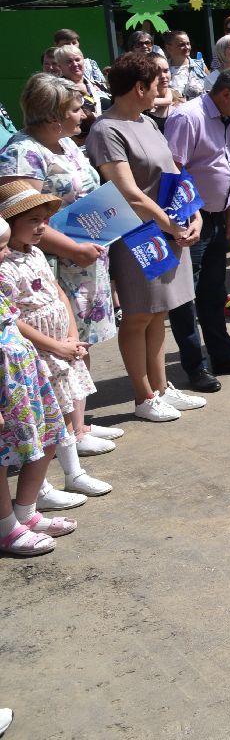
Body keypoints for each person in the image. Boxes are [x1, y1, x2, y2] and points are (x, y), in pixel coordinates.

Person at [0, 75, 119, 452]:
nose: (84, 114)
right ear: (53, 117)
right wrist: (71, 249)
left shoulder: (65, 142)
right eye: (75, 108)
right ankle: (66, 433)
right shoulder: (22, 154)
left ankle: (78, 423)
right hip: (50, 267)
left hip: (84, 258)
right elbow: (21, 217)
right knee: (54, 350)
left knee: (76, 342)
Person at [86, 52, 204, 423]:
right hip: (136, 234)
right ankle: (143, 396)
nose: (162, 90)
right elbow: (127, 191)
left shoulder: (148, 123)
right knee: (139, 315)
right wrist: (170, 224)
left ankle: (162, 386)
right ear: (140, 87)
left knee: (160, 312)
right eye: (157, 84)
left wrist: (193, 212)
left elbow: (173, 171)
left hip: (169, 228)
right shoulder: (106, 130)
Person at [0, 183, 108, 500]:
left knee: (60, 416)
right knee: (48, 420)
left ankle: (72, 474)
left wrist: (71, 335)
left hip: (59, 345)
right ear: (10, 223)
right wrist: (54, 345)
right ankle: (43, 487)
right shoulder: (3, 266)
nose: (42, 226)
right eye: (33, 220)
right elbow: (11, 319)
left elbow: (57, 291)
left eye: (43, 219)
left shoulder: (36, 253)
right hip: (37, 351)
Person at [165, 67, 230, 391]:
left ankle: (223, 355)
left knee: (213, 292)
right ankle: (196, 367)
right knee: (185, 297)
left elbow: (226, 167)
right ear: (225, 95)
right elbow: (174, 171)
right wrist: (187, 217)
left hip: (219, 215)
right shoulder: (187, 117)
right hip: (191, 219)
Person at [0, 212, 76, 557]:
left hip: (24, 377)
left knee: (48, 435)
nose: (5, 255)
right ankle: (6, 528)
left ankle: (26, 512)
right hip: (6, 384)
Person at [48, 45, 109, 141]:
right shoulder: (58, 91)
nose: (75, 64)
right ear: (60, 66)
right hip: (80, 145)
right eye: (69, 61)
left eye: (77, 59)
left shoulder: (100, 85)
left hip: (109, 138)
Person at [162, 30, 207, 105]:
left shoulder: (200, 65)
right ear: (169, 48)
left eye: (188, 44)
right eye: (181, 45)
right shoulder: (162, 70)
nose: (187, 47)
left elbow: (211, 90)